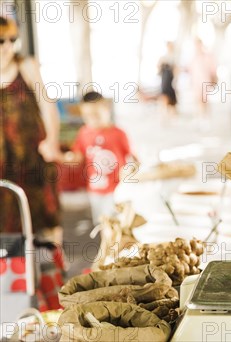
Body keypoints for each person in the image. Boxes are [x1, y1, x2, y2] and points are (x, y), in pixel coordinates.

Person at [0, 16, 62, 242]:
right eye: (1, 40)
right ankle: (15, 272)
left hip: (32, 154)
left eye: (12, 39)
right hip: (2, 161)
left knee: (45, 216)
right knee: (7, 219)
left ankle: (53, 269)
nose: (8, 46)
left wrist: (52, 140)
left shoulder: (26, 66)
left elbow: (47, 105)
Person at [62, 92, 134, 225]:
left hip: (116, 189)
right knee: (101, 224)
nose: (92, 118)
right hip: (95, 190)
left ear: (106, 109)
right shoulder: (83, 133)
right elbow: (77, 157)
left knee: (117, 223)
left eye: (96, 113)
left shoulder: (118, 133)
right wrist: (60, 156)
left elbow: (132, 158)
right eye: (87, 116)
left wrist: (132, 174)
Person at [188, 38, 217, 119]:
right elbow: (191, 71)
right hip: (196, 82)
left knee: (205, 101)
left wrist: (214, 81)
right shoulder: (193, 58)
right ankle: (201, 118)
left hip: (205, 82)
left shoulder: (208, 57)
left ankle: (206, 118)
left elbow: (213, 70)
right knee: (198, 100)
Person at [158, 41, 178, 116]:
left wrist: (175, 79)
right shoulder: (163, 57)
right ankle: (164, 112)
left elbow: (176, 69)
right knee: (164, 95)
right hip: (164, 79)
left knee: (171, 96)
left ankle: (171, 113)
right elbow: (158, 67)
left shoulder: (174, 57)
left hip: (170, 79)